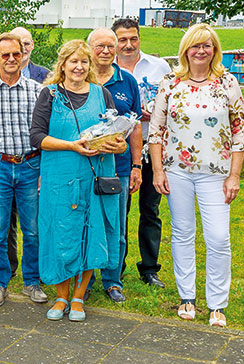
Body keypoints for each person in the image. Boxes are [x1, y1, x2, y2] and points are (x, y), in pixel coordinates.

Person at [149, 24, 244, 328]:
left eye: (207, 45)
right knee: (182, 233)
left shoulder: (227, 82)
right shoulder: (170, 83)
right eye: (196, 46)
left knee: (218, 238)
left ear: (215, 49)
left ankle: (217, 304)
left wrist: (234, 175)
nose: (201, 51)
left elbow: (239, 131)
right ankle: (187, 297)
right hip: (177, 171)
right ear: (186, 50)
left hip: (216, 174)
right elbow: (156, 130)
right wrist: (157, 170)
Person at [29, 40, 125, 322]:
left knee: (90, 233)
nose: (79, 67)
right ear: (63, 65)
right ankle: (61, 295)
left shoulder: (102, 94)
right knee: (60, 234)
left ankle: (79, 297)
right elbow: (37, 138)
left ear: (90, 65)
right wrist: (72, 145)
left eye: (84, 62)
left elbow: (115, 133)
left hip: (94, 177)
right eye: (73, 61)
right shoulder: (49, 95)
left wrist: (117, 146)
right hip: (60, 177)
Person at [0, 32, 46, 307]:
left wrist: (43, 170)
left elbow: (44, 133)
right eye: (5, 55)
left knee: (33, 230)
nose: (11, 59)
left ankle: (32, 282)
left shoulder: (38, 91)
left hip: (30, 164)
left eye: (16, 54)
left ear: (23, 54)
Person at [85, 28, 143, 303]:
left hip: (117, 167)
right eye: (100, 46)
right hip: (82, 165)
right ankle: (85, 277)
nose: (106, 51)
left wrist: (136, 165)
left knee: (115, 227)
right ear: (89, 48)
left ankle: (112, 280)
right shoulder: (79, 77)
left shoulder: (127, 81)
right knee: (84, 222)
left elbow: (135, 127)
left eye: (111, 46)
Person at [113, 18, 171, 289]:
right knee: (118, 211)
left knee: (150, 209)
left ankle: (149, 268)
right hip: (120, 150)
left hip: (154, 145)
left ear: (139, 38)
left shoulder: (159, 67)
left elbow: (174, 102)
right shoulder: (106, 70)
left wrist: (159, 111)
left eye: (133, 38)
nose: (128, 44)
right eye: (122, 39)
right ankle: (116, 267)